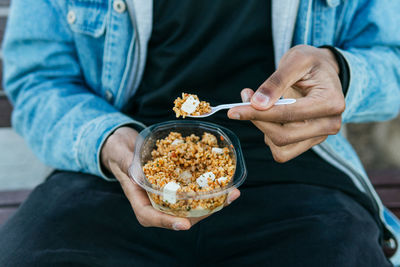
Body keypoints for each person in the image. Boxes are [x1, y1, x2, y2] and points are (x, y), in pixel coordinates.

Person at [0, 0, 399, 266]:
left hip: (299, 171)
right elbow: (38, 80)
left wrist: (341, 72)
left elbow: (392, 60)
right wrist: (107, 140)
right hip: (117, 170)